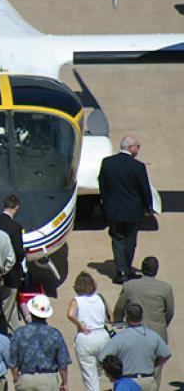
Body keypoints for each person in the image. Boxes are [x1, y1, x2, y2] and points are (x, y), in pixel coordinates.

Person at [98, 135, 152, 284]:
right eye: (137, 147)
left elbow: (102, 183)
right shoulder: (138, 167)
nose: (138, 149)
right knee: (130, 240)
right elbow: (144, 189)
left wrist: (105, 201)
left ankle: (122, 270)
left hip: (114, 210)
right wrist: (148, 207)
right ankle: (125, 269)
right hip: (132, 211)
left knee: (117, 240)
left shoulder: (108, 163)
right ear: (130, 148)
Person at [99, 303, 170, 391]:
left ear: (126, 318)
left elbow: (102, 358)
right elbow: (166, 355)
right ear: (141, 317)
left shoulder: (120, 338)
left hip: (127, 383)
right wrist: (154, 365)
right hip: (148, 381)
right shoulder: (153, 336)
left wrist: (114, 374)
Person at [9, 294, 71, 391]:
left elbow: (13, 361)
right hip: (48, 380)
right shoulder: (54, 334)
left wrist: (16, 378)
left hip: (26, 379)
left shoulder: (20, 333)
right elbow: (62, 362)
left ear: (30, 311)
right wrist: (65, 382)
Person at [113, 256, 174, 344]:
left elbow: (119, 310)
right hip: (157, 335)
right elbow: (169, 313)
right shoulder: (165, 289)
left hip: (134, 336)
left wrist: (119, 328)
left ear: (142, 269)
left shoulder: (130, 286)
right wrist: (161, 325)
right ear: (156, 270)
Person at [66, 272, 111, 391]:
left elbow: (70, 314)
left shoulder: (76, 300)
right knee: (100, 372)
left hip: (86, 337)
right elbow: (111, 318)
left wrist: (79, 324)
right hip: (102, 336)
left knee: (89, 376)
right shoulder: (100, 298)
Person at [0, 194, 26, 332]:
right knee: (5, 312)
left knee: (11, 312)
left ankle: (18, 334)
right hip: (11, 276)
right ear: (16, 207)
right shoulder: (15, 227)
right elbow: (18, 253)